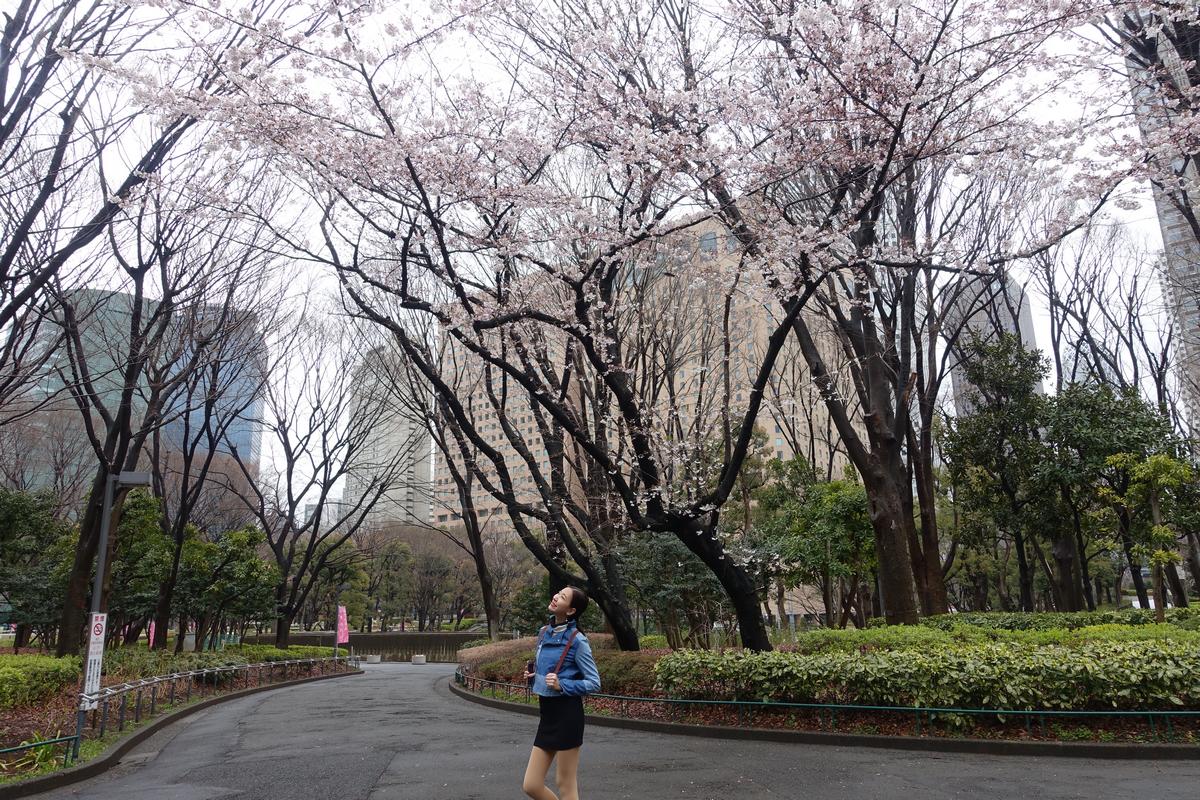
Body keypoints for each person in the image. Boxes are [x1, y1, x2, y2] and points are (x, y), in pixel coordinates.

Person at [521, 586, 601, 800]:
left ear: (571, 610)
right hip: (547, 714)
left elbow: (594, 682)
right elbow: (548, 672)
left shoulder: (578, 641)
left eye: (562, 597)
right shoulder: (543, 632)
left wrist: (562, 685)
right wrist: (535, 677)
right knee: (531, 785)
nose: (556, 597)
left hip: (568, 715)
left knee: (565, 784)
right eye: (558, 593)